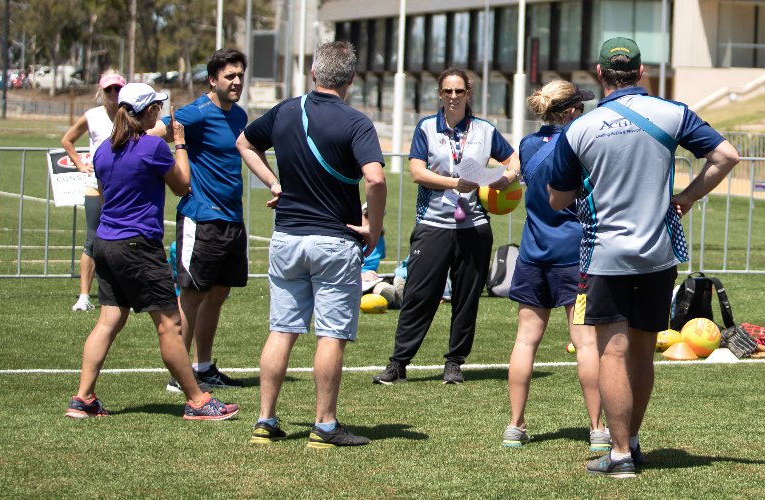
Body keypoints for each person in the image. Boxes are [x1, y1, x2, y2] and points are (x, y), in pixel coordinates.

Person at [547, 37, 739, 478]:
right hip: (657, 253)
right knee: (641, 354)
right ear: (641, 71)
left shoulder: (581, 128)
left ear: (599, 73)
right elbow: (726, 155)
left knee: (611, 354)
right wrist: (687, 196)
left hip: (605, 254)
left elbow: (558, 199)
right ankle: (631, 443)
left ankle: (618, 455)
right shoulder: (672, 113)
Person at [236, 40, 387, 448]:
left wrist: (273, 183)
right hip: (334, 241)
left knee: (281, 331)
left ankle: (265, 420)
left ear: (314, 73)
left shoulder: (286, 110)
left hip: (287, 237)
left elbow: (244, 143)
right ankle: (324, 425)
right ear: (351, 80)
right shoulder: (356, 122)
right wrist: (373, 226)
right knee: (330, 335)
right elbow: (375, 179)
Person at [64, 82, 239, 421]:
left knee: (109, 320)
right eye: (156, 108)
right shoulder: (151, 146)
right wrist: (180, 144)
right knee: (170, 325)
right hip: (138, 245)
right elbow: (182, 185)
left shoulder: (103, 150)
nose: (159, 113)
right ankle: (197, 401)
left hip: (106, 243)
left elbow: (105, 193)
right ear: (147, 113)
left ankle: (83, 399)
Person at [373, 68, 518, 386]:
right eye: (448, 91)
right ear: (440, 94)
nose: (454, 96)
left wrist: (506, 178)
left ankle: (454, 363)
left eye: (459, 91)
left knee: (466, 298)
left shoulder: (484, 129)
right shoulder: (426, 127)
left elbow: (513, 160)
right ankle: (398, 363)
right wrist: (456, 183)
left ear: (468, 94)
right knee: (419, 295)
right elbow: (417, 172)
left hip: (474, 227)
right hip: (433, 224)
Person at [500, 79, 609, 451]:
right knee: (586, 344)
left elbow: (511, 177)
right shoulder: (581, 144)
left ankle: (515, 425)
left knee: (525, 341)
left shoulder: (527, 145)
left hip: (533, 253)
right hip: (575, 255)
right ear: (572, 110)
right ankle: (597, 429)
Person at [150, 48, 251, 392]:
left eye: (240, 75)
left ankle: (203, 368)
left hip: (232, 218)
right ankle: (179, 377)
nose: (236, 81)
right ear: (212, 80)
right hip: (201, 217)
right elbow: (152, 135)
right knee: (191, 294)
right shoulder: (195, 113)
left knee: (218, 293)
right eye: (229, 76)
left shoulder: (239, 116)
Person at [62, 72, 126, 312]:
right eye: (109, 89)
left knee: (123, 238)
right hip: (95, 185)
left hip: (123, 186)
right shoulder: (92, 115)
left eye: (117, 89)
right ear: (101, 92)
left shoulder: (130, 115)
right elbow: (67, 140)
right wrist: (80, 164)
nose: (113, 94)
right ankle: (84, 296)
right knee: (92, 240)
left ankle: (123, 291)